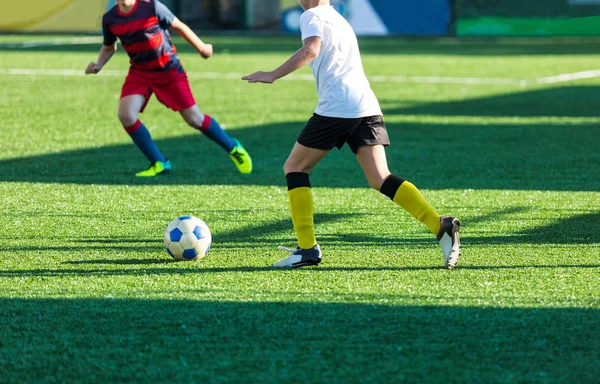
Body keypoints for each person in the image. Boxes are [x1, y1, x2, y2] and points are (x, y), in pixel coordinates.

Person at [242, 0, 461, 269]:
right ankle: (439, 224)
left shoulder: (311, 15)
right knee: (380, 177)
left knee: (295, 167)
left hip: (339, 106)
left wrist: (272, 75)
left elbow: (311, 49)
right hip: (365, 104)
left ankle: (307, 249)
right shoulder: (338, 18)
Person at [86, 0, 252, 177]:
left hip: (168, 70)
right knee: (126, 115)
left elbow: (179, 26)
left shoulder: (151, 6)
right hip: (139, 72)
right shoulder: (110, 18)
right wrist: (98, 65)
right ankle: (159, 162)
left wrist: (201, 47)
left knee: (194, 119)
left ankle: (233, 148)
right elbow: (109, 47)